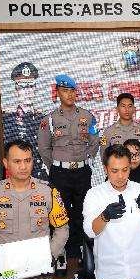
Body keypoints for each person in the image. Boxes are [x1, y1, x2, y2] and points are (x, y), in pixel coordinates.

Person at [0, 139, 69, 279]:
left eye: (27, 160)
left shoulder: (48, 192)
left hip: (40, 278)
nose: (23, 166)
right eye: (17, 161)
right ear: (6, 163)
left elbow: (62, 228)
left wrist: (51, 254)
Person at [82, 145, 140, 279]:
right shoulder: (94, 195)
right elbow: (89, 231)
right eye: (114, 171)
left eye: (125, 170)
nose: (120, 176)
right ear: (105, 169)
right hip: (109, 278)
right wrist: (104, 216)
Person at [38, 74, 99, 266]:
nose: (70, 95)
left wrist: (86, 159)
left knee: (83, 211)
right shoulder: (50, 119)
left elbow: (94, 142)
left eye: (72, 91)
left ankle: (83, 250)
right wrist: (57, 166)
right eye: (65, 91)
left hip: (82, 172)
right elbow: (44, 148)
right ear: (57, 93)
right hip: (60, 174)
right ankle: (60, 252)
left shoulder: (87, 116)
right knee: (59, 212)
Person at [2, 62, 48, 180]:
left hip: (40, 179)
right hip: (17, 180)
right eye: (22, 87)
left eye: (30, 86)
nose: (27, 91)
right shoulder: (7, 120)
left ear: (35, 89)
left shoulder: (43, 119)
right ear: (16, 90)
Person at [99, 93, 140, 168]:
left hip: (138, 171)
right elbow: (104, 155)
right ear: (117, 109)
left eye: (130, 106)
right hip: (118, 172)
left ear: (134, 109)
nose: (127, 110)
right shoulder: (108, 131)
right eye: (123, 106)